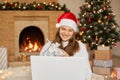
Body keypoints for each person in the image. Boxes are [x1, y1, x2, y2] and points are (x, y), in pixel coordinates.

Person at [39, 12, 92, 80]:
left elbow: (86, 71)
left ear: (73, 32)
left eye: (70, 30)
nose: (66, 33)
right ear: (59, 29)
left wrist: (69, 60)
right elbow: (40, 67)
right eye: (63, 29)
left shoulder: (80, 47)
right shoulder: (48, 46)